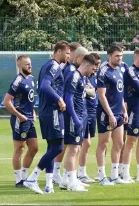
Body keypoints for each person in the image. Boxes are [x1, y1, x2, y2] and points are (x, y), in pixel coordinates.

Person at [24, 41, 70, 194]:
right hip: (52, 112)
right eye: (67, 53)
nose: (68, 56)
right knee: (58, 147)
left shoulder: (48, 65)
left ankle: (49, 185)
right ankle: (32, 178)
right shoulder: (53, 66)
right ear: (58, 51)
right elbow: (44, 85)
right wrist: (59, 98)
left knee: (52, 147)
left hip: (47, 111)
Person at [62, 53, 99, 191]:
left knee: (77, 148)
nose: (93, 72)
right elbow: (68, 98)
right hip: (75, 117)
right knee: (73, 149)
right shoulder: (74, 76)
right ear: (87, 65)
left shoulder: (82, 78)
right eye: (93, 69)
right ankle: (71, 183)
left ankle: (69, 179)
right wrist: (75, 118)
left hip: (81, 116)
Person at [53, 44, 88, 185]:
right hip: (70, 112)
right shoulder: (71, 71)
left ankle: (70, 177)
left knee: (76, 145)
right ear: (79, 58)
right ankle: (60, 175)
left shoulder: (77, 71)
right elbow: (68, 95)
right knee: (68, 145)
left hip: (80, 112)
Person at [95, 44, 129, 185]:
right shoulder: (104, 71)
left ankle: (114, 176)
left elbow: (119, 93)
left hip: (118, 113)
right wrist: (110, 114)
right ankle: (102, 176)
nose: (119, 59)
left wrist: (124, 110)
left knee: (119, 143)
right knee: (103, 143)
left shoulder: (120, 69)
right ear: (109, 55)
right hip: (106, 113)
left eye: (121, 56)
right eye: (116, 56)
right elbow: (101, 96)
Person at [3, 55, 39, 188]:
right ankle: (19, 179)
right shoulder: (17, 80)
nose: (29, 66)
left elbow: (29, 99)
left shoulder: (31, 78)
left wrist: (33, 112)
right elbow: (6, 101)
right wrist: (19, 115)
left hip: (30, 119)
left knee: (34, 148)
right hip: (20, 120)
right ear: (19, 66)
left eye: (30, 64)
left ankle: (25, 176)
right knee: (19, 148)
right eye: (26, 65)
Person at [121, 48, 139, 183]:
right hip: (134, 111)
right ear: (136, 58)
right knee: (131, 142)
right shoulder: (130, 71)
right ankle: (125, 173)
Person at [78, 53, 102, 183]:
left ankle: (81, 172)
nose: (97, 67)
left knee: (86, 143)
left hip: (92, 112)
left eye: (98, 64)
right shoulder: (83, 76)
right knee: (84, 143)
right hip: (83, 113)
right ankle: (78, 173)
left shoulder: (95, 76)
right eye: (95, 64)